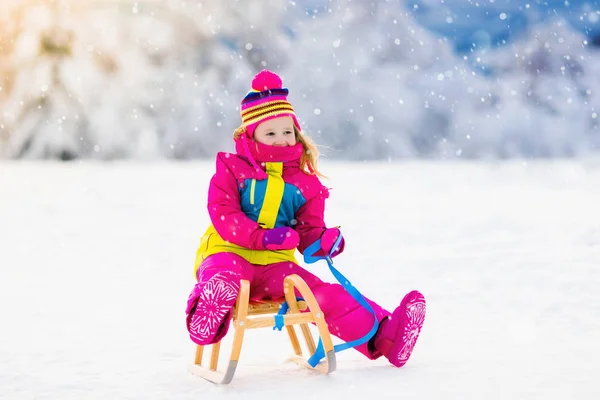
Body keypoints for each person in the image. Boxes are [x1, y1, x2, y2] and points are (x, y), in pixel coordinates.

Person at [185, 69, 426, 368]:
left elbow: (308, 231)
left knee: (323, 295)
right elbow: (224, 213)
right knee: (226, 277)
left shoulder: (304, 183)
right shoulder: (232, 169)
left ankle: (384, 336)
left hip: (276, 265)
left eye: (287, 131)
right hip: (226, 253)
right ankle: (208, 316)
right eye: (270, 133)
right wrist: (260, 237)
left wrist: (324, 241)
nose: (282, 139)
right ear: (251, 134)